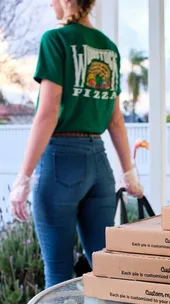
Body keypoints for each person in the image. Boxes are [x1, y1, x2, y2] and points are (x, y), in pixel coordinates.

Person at [9, 0, 143, 289]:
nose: (50, 3)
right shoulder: (108, 48)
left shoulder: (55, 39)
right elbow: (115, 119)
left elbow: (48, 111)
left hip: (61, 161)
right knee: (105, 273)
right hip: (100, 165)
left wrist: (23, 178)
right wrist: (129, 173)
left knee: (58, 274)